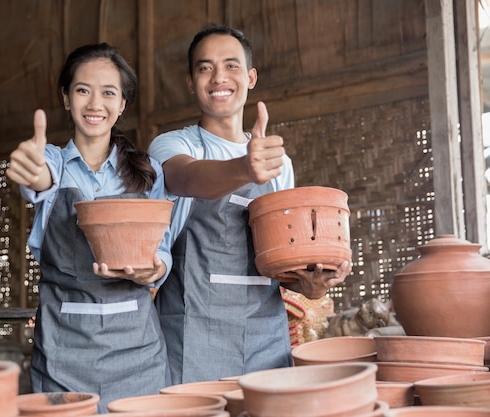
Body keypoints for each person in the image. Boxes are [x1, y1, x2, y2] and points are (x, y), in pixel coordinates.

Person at [148, 24, 351, 384]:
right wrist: (244, 167)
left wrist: (312, 285)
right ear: (190, 82)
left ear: (251, 77)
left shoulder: (277, 163)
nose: (218, 77)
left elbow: (282, 258)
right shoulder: (174, 145)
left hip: (265, 338)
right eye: (205, 68)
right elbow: (186, 177)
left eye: (231, 66)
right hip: (191, 333)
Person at [6, 43, 172, 411]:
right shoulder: (53, 162)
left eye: (108, 93)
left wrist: (154, 269)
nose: (95, 104)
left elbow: (163, 251)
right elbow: (38, 178)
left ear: (123, 104)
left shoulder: (148, 174)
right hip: (63, 354)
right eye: (83, 90)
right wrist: (33, 173)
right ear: (66, 98)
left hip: (138, 352)